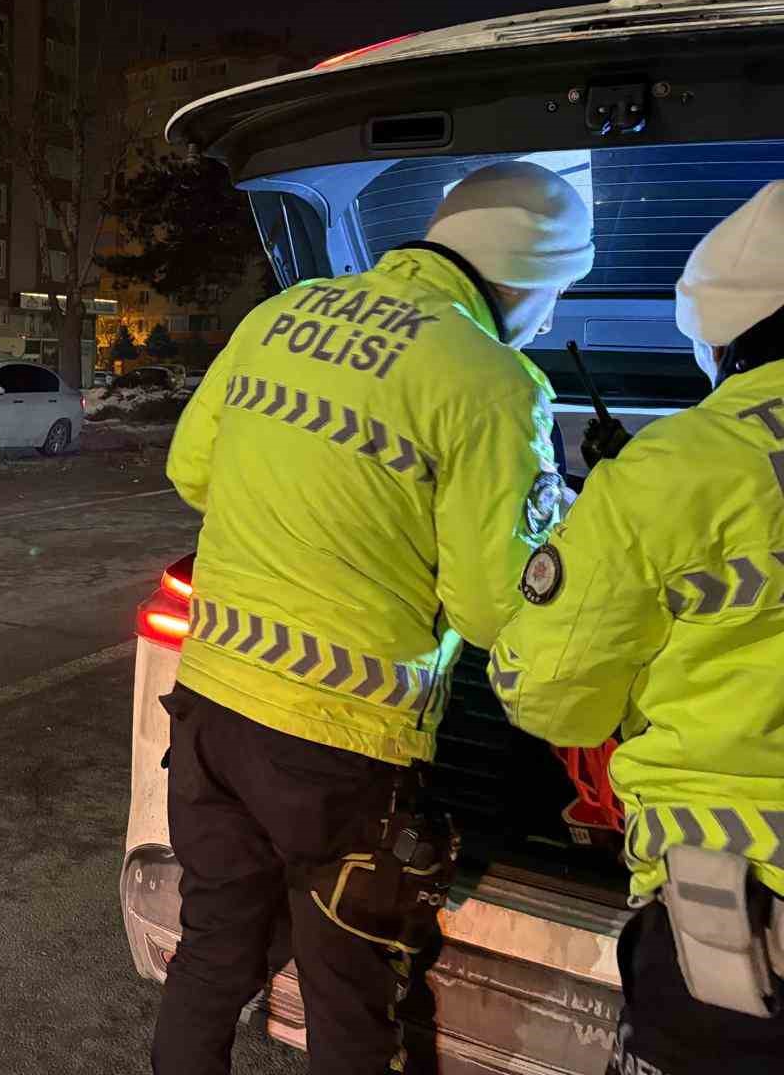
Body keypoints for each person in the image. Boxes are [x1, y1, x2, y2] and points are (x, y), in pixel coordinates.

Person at [154, 161, 594, 1075]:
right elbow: (489, 607)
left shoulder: (282, 315)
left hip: (210, 713)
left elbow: (191, 472)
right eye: (553, 292)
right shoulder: (494, 381)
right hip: (341, 747)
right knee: (349, 1006)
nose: (549, 320)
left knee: (212, 957)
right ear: (524, 275)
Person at [487, 182, 784, 1074]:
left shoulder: (677, 470)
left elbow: (550, 695)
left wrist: (614, 537)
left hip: (739, 946)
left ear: (721, 337)